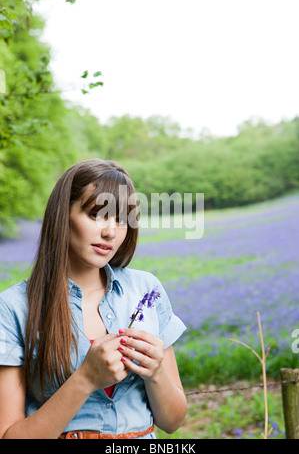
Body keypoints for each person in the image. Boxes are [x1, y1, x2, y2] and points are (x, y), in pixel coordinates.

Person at [0, 158, 187, 439]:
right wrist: (86, 379)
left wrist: (157, 372)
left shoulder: (145, 289)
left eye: (122, 219)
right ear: (63, 215)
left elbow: (172, 422)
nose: (111, 231)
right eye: (97, 214)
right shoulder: (13, 307)